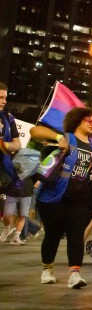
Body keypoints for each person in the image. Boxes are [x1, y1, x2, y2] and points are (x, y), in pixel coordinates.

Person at [30, 108, 92, 288]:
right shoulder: (66, 138)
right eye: (87, 119)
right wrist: (57, 138)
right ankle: (47, 269)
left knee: (76, 234)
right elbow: (34, 131)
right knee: (52, 234)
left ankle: (75, 274)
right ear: (76, 120)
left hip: (80, 199)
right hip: (54, 196)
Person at [0, 81, 24, 243]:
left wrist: (3, 145)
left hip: (4, 171)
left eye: (5, 98)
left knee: (7, 211)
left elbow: (17, 144)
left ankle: (10, 229)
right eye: (0, 97)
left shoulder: (9, 118)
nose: (4, 101)